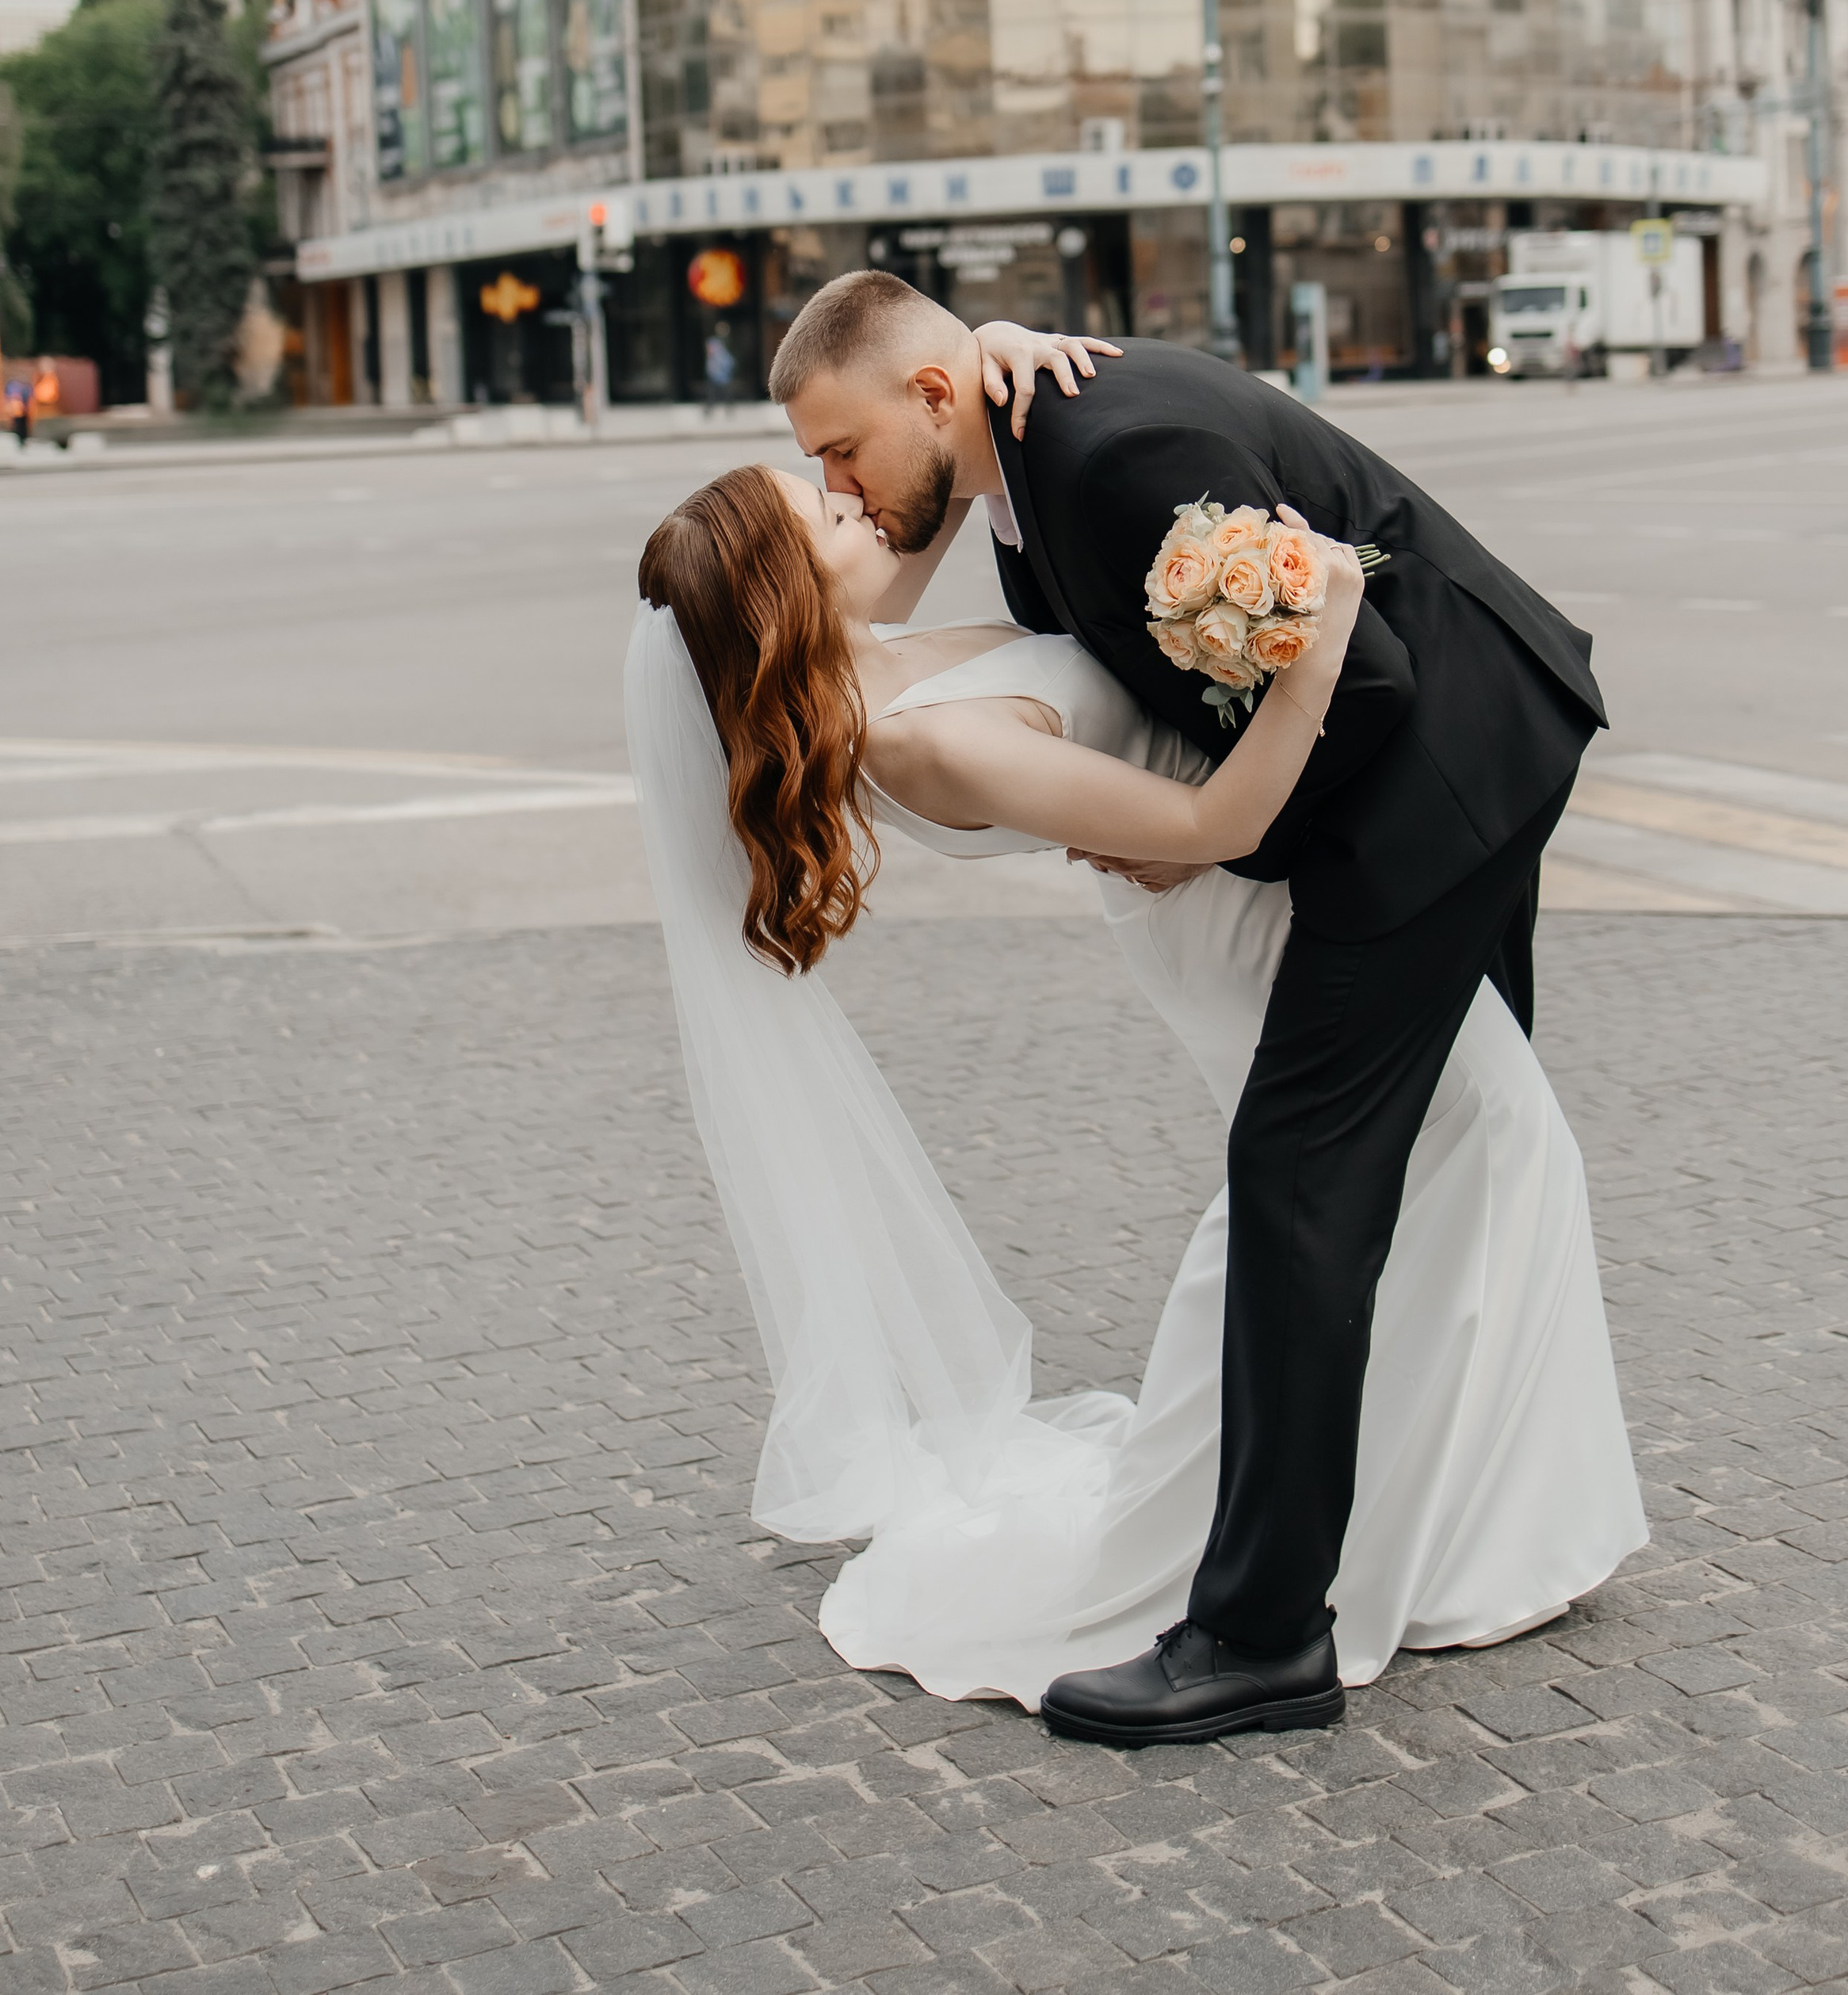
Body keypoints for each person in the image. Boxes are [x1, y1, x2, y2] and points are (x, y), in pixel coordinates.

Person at [627, 324, 1643, 1734]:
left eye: (836, 461)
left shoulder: (917, 619)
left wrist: (983, 355)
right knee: (1358, 1176)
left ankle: (1456, 1535)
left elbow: (981, 521)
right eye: (824, 497)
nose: (846, 491)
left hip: (1349, 832)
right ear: (783, 596)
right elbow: (1213, 817)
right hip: (1242, 891)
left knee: (1468, 1150)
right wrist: (1322, 626)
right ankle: (1291, 1609)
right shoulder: (920, 731)